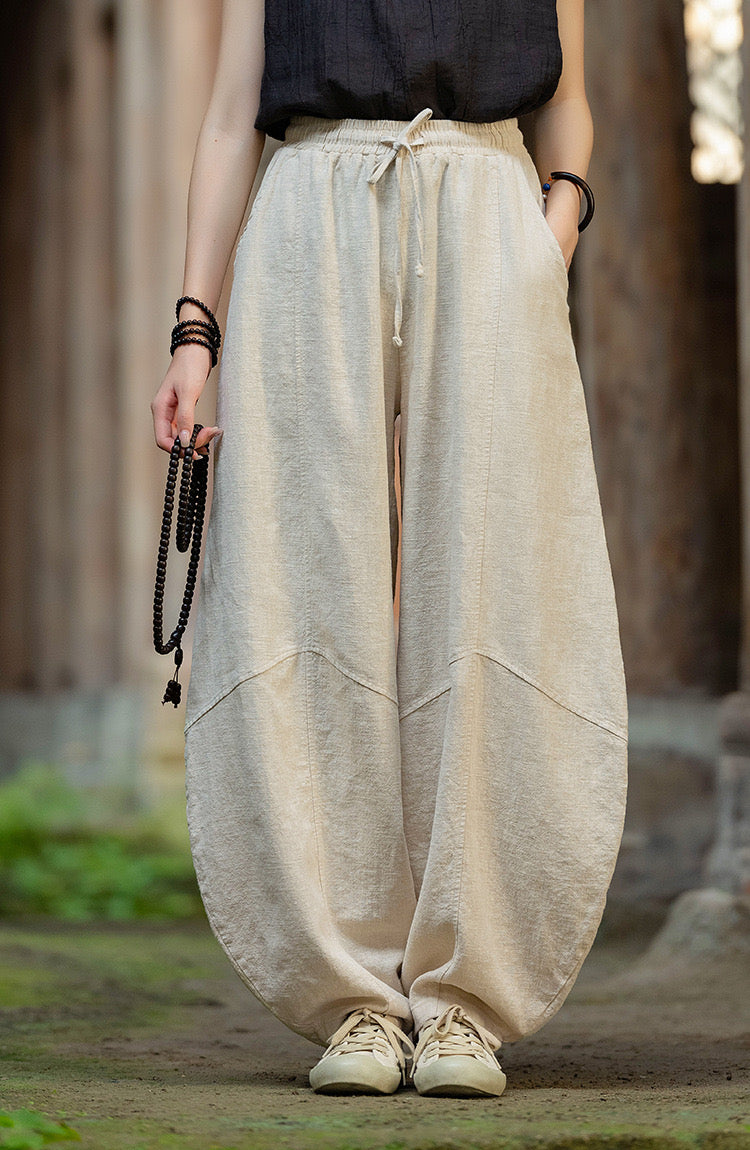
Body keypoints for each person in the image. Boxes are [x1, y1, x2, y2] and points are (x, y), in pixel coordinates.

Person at [150, 0, 628, 1099]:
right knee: (305, 585)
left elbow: (569, 96)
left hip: (487, 208)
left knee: (497, 581)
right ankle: (356, 996)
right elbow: (230, 117)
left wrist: (553, 226)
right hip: (310, 212)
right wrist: (194, 330)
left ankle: (466, 998)